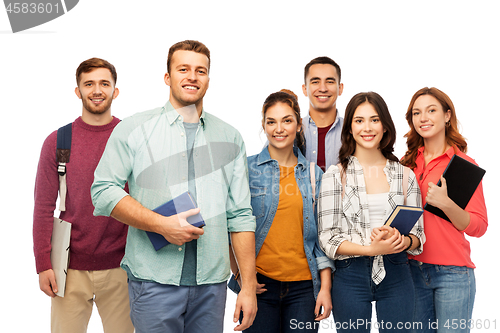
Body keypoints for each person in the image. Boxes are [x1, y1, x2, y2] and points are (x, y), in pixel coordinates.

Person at [90, 40, 257, 333]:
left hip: (211, 287)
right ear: (168, 77)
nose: (192, 76)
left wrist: (248, 287)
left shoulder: (230, 137)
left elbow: (241, 214)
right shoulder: (133, 129)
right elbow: (103, 190)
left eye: (200, 71)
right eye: (183, 69)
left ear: (208, 78)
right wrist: (160, 224)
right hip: (153, 281)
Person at [33, 58, 133, 333]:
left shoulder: (131, 138)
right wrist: (43, 264)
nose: (97, 90)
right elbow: (43, 206)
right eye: (89, 84)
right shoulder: (60, 142)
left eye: (104, 83)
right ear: (78, 91)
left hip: (122, 268)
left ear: (116, 90)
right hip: (68, 268)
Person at [318, 92, 425, 333]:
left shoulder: (405, 175)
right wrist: (370, 250)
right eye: (359, 120)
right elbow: (327, 238)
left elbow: (419, 235)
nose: (367, 127)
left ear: (385, 126)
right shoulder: (334, 176)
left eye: (375, 120)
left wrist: (402, 240)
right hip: (350, 275)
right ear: (350, 128)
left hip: (397, 271)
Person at [229, 90, 334, 332]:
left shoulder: (314, 175)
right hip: (259, 286)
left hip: (304, 289)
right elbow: (231, 225)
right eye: (271, 121)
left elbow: (322, 239)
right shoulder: (246, 169)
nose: (279, 128)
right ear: (263, 125)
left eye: (287, 120)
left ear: (299, 125)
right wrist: (241, 278)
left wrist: (325, 289)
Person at [401, 87, 488, 333]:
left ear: (447, 115)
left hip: (453, 274)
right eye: (417, 113)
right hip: (411, 269)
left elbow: (479, 226)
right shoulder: (405, 164)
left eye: (431, 111)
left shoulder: (464, 166)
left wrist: (446, 203)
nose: (423, 118)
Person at [301, 56, 344, 171]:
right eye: (315, 82)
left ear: (340, 88)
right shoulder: (290, 130)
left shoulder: (353, 129)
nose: (323, 88)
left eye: (330, 81)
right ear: (305, 89)